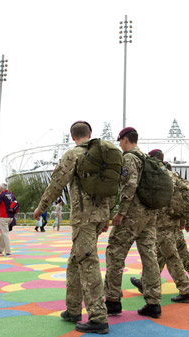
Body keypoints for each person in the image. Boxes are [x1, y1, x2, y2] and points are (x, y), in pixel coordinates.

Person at [34, 121, 111, 334]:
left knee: (87, 262)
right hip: (99, 215)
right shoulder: (103, 155)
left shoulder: (73, 154)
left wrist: (41, 207)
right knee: (75, 260)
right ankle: (73, 309)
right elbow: (112, 187)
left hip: (84, 217)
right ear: (90, 134)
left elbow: (57, 183)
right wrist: (108, 216)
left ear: (72, 136)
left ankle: (98, 316)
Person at [104, 127, 162, 319]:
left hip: (133, 214)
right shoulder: (147, 158)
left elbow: (130, 184)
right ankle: (153, 303)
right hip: (149, 213)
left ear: (126, 140)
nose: (119, 144)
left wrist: (121, 212)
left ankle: (112, 300)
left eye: (120, 141)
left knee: (115, 252)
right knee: (149, 256)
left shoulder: (129, 158)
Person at [130, 149, 189, 303]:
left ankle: (186, 289)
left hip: (161, 222)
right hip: (172, 221)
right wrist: (185, 219)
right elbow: (185, 198)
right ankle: (145, 282)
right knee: (161, 254)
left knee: (170, 255)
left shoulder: (157, 175)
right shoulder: (174, 175)